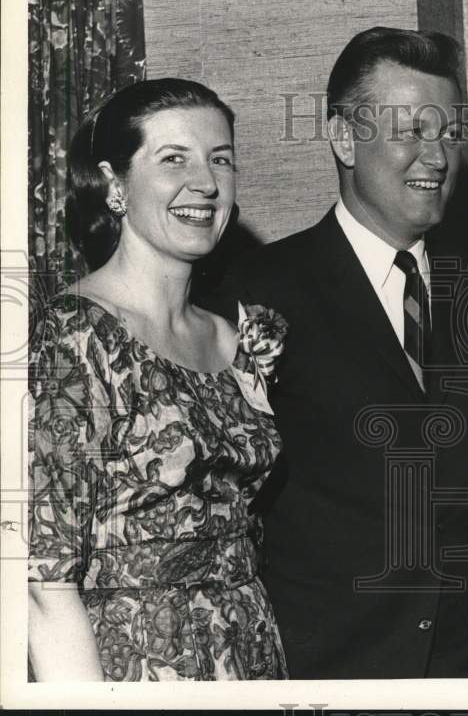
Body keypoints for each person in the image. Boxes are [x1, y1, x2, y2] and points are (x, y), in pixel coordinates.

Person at [219, 27, 468, 678]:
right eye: (410, 130)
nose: (438, 156)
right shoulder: (257, 291)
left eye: (448, 132)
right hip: (334, 666)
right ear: (343, 137)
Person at [28, 78, 288, 681]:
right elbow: (43, 586)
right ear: (115, 185)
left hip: (252, 651)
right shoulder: (71, 338)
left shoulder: (238, 339)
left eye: (219, 159)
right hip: (133, 667)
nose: (205, 182)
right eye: (174, 159)